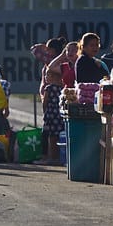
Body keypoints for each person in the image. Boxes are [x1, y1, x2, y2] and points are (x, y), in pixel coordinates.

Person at [35, 37, 67, 165]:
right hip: (50, 102)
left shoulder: (57, 64)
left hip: (52, 106)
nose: (46, 52)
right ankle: (51, 156)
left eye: (49, 49)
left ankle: (51, 157)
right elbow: (35, 49)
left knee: (51, 133)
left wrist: (44, 108)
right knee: (51, 133)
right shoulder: (50, 62)